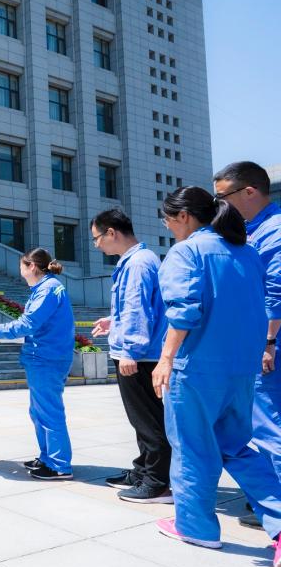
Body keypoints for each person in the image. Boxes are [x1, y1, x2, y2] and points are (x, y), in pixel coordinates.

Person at [152, 186, 281, 567]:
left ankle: (195, 527)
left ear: (184, 217)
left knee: (192, 447)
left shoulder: (186, 252)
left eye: (168, 220)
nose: (168, 227)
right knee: (238, 448)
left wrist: (165, 359)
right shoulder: (247, 251)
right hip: (240, 369)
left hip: (196, 369)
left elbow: (184, 312)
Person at [211, 162, 281, 530]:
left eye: (222, 197)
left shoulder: (274, 231)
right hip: (258, 343)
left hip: (268, 346)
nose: (219, 205)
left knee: (269, 427)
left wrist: (267, 342)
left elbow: (275, 292)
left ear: (249, 192)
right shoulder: (254, 231)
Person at [90, 209, 172, 503]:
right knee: (142, 420)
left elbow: (138, 309)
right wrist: (113, 321)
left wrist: (130, 351)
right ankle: (143, 470)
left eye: (97, 238)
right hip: (141, 352)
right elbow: (136, 307)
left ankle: (157, 482)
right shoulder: (138, 260)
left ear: (112, 232)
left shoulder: (137, 263)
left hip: (140, 356)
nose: (97, 245)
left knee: (148, 420)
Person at [0, 249, 75, 480]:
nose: (20, 271)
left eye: (21, 266)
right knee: (39, 411)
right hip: (45, 356)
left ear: (31, 266)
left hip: (46, 358)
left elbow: (29, 323)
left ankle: (59, 465)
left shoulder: (48, 289)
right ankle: (47, 458)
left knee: (49, 411)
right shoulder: (46, 288)